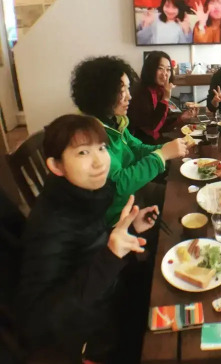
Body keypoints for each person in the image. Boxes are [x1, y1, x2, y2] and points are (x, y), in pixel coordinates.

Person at [18, 114, 159, 362]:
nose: (99, 162)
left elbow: (88, 249)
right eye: (83, 152)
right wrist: (110, 256)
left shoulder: (83, 195)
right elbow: (42, 322)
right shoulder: (51, 225)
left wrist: (130, 231)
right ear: (56, 166)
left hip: (113, 299)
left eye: (102, 148)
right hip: (96, 340)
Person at [71, 56, 188, 225]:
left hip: (133, 194)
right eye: (122, 91)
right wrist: (162, 155)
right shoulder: (89, 137)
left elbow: (136, 147)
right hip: (115, 217)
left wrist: (167, 148)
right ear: (102, 94)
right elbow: (118, 185)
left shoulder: (114, 121)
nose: (129, 97)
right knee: (179, 211)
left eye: (128, 89)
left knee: (182, 195)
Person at [128, 51, 198, 144]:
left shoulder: (158, 90)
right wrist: (165, 98)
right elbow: (153, 127)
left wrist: (181, 118)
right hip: (141, 144)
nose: (165, 73)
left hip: (154, 139)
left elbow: (162, 125)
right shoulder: (141, 93)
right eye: (160, 68)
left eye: (168, 69)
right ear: (150, 70)